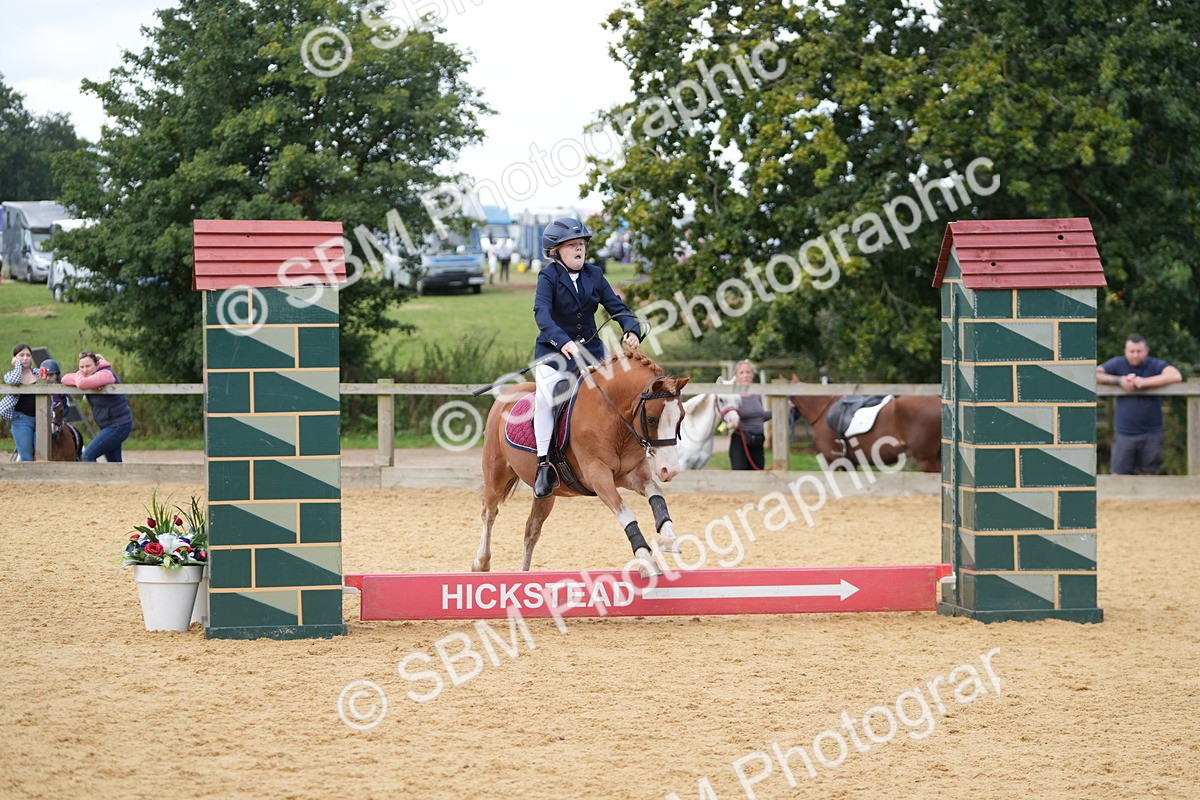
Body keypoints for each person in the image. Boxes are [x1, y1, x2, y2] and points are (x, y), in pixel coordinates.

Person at [532, 217, 641, 498]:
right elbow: (542, 315)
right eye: (572, 246)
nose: (579, 250)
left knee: (613, 396)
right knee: (545, 400)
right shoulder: (548, 277)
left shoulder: (594, 274)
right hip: (554, 353)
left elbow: (616, 306)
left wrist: (631, 328)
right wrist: (563, 340)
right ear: (556, 252)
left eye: (581, 244)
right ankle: (544, 465)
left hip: (591, 354)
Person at [1097, 333, 1183, 475]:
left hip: (1152, 433)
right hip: (1124, 433)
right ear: (1125, 351)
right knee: (1118, 476)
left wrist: (1144, 382)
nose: (1135, 355)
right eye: (1131, 351)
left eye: (1139, 351)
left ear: (1146, 351)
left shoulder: (1154, 364)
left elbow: (1175, 375)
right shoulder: (1118, 363)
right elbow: (1094, 373)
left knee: (1149, 476)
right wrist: (1119, 381)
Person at [62, 351, 135, 463]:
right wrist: (83, 377)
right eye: (81, 367)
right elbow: (64, 379)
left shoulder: (106, 373)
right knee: (114, 463)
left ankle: (94, 480)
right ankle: (118, 480)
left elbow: (82, 384)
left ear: (96, 364)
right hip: (107, 425)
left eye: (88, 366)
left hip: (119, 424)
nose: (85, 370)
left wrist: (85, 381)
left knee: (87, 456)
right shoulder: (87, 375)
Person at [1, 342, 41, 461]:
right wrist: (18, 366)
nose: (25, 358)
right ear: (15, 358)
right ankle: (27, 479)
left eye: (28, 355)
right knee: (26, 457)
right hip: (21, 419)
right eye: (21, 355)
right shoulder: (9, 375)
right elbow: (14, 381)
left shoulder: (38, 373)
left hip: (41, 418)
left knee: (41, 455)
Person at [729, 359, 771, 470]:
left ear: (753, 375)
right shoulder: (733, 395)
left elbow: (760, 417)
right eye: (741, 373)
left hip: (758, 441)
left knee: (757, 477)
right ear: (736, 376)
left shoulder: (757, 394)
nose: (745, 375)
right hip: (741, 441)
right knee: (740, 476)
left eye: (748, 372)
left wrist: (782, 409)